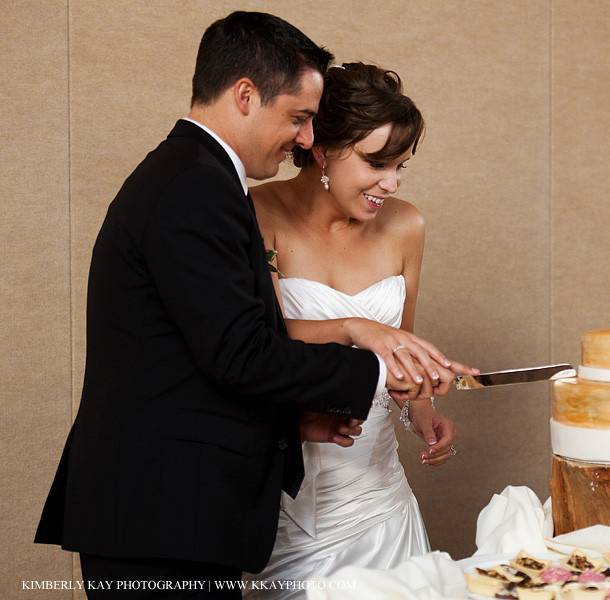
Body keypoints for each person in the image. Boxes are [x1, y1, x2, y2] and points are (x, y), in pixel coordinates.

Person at [34, 12, 473, 598]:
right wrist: (372, 355)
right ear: (245, 96)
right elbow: (242, 353)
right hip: (159, 513)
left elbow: (209, 350)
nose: (304, 138)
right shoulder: (197, 188)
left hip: (183, 510)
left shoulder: (196, 177)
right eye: (298, 118)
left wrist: (310, 417)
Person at [241, 63, 453, 596]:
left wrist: (421, 408)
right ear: (322, 148)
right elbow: (254, 344)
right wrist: (352, 327)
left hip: (384, 499)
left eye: (401, 166)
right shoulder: (258, 212)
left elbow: (400, 345)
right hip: (298, 498)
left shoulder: (407, 224)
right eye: (377, 163)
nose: (392, 183)